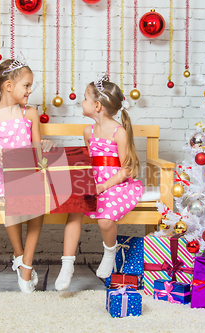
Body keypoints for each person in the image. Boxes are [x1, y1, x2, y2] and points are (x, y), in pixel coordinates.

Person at [55, 75, 144, 290]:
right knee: (74, 208)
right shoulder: (88, 131)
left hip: (115, 184)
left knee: (105, 219)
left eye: (84, 99)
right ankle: (67, 265)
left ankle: (110, 252)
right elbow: (88, 162)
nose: (81, 103)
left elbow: (126, 169)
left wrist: (103, 186)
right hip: (92, 182)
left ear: (97, 105)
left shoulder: (119, 132)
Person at [0, 57, 53, 293]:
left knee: (38, 202)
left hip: (27, 172)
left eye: (31, 86)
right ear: (8, 86)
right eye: (26, 86)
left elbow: (37, 148)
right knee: (9, 196)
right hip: (3, 175)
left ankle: (26, 264)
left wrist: (45, 146)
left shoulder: (29, 114)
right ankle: (19, 256)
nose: (30, 91)